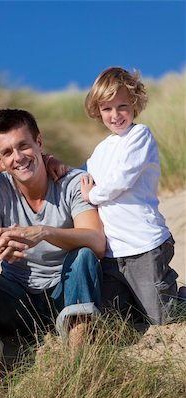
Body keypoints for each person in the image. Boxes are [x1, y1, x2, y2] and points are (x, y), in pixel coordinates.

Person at [0, 108, 106, 398]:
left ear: (39, 142)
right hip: (19, 302)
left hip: (66, 293)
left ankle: (76, 373)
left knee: (84, 255)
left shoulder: (73, 181)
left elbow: (97, 241)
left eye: (24, 145)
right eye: (7, 152)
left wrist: (45, 232)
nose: (18, 157)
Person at [80, 66, 178, 327]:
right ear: (98, 111)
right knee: (118, 321)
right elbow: (82, 175)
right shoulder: (99, 151)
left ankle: (179, 297)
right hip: (113, 253)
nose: (115, 115)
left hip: (144, 244)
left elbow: (121, 180)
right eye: (107, 109)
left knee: (163, 318)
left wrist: (93, 195)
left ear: (134, 104)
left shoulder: (140, 135)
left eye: (122, 106)